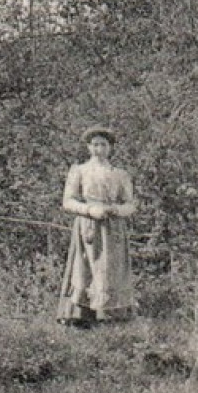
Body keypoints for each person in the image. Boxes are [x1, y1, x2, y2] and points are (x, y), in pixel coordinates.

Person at [57, 126, 138, 327]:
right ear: (88, 147)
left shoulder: (120, 174)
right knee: (85, 268)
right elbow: (68, 201)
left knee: (111, 270)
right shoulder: (80, 171)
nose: (98, 149)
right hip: (88, 228)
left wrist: (116, 210)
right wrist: (90, 210)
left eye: (103, 145)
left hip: (113, 230)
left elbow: (131, 204)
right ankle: (82, 316)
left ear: (110, 148)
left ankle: (111, 317)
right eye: (94, 145)